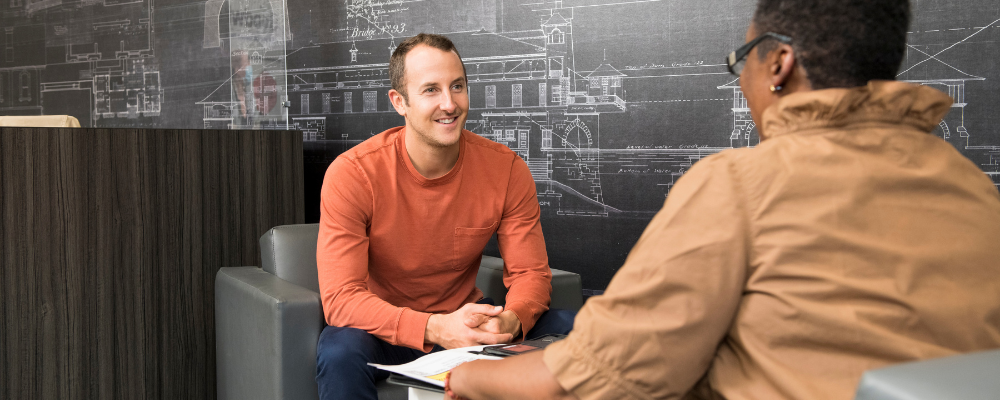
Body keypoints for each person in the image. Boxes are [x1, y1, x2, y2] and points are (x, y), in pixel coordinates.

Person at [446, 0, 1000, 399]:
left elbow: (591, 381)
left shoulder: (741, 184)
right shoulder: (974, 188)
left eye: (742, 62)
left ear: (778, 64)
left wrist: (465, 378)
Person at [314, 33, 575, 400]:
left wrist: (509, 319)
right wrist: (435, 328)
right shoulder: (353, 174)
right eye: (431, 90)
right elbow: (341, 298)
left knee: (577, 329)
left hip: (469, 321)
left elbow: (530, 273)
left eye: (457, 86)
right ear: (399, 102)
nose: (449, 104)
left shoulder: (507, 169)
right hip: (384, 331)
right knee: (339, 350)